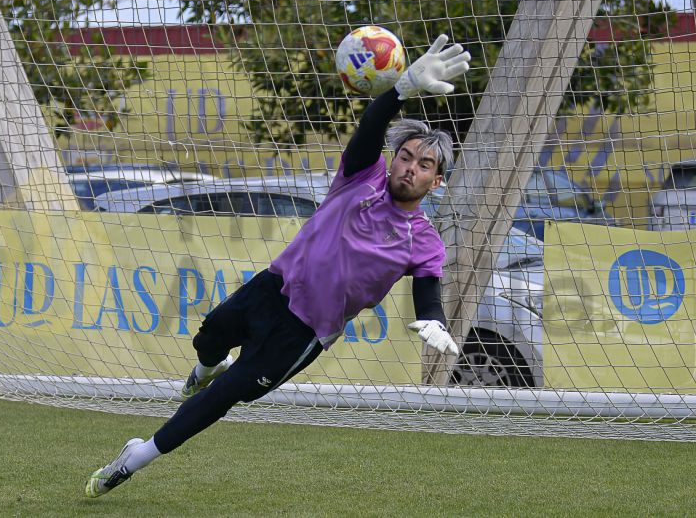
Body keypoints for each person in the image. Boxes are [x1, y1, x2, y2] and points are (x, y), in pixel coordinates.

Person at [85, 34, 471, 498]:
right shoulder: (361, 178)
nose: (410, 167)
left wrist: (435, 320)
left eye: (424, 164)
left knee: (224, 396)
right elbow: (371, 126)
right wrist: (401, 89)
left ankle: (135, 456)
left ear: (436, 180)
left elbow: (429, 290)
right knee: (208, 338)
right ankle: (206, 365)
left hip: (304, 332)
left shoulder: (425, 241)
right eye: (405, 156)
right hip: (273, 288)